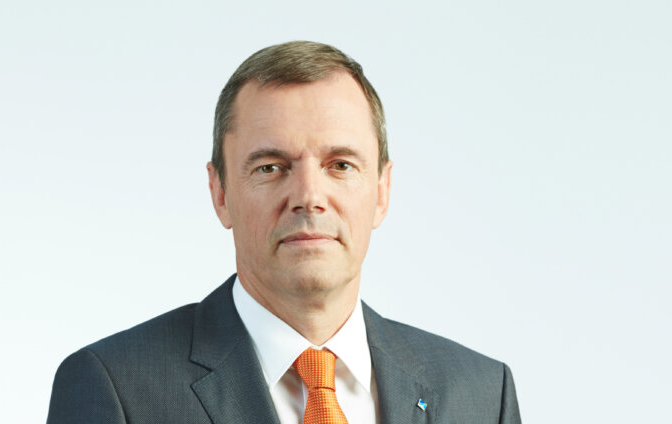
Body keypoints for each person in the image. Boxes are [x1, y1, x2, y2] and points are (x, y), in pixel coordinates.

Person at [47, 40, 521, 424]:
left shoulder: (481, 394)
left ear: (381, 192)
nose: (309, 197)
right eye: (271, 167)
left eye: (340, 165)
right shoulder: (116, 387)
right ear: (220, 193)